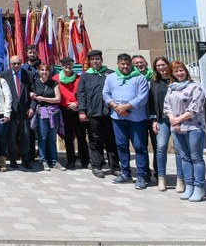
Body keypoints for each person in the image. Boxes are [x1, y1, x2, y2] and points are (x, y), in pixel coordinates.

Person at [103, 53, 150, 190]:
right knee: (121, 145)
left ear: (131, 64)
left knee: (139, 146)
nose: (125, 67)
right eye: (122, 64)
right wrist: (115, 106)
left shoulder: (139, 78)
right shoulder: (111, 78)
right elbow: (105, 94)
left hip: (136, 119)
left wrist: (126, 106)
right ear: (118, 64)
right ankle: (125, 173)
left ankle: (141, 175)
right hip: (117, 117)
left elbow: (142, 97)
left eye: (128, 64)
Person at [164, 61, 206, 202]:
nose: (179, 73)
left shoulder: (196, 87)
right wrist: (172, 119)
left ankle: (199, 188)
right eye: (176, 71)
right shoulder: (171, 88)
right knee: (184, 157)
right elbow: (167, 106)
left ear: (186, 71)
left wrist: (178, 119)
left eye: (181, 70)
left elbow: (195, 108)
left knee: (196, 157)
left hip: (194, 127)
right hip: (176, 128)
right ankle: (189, 186)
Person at [77, 50, 119, 178]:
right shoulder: (85, 76)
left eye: (97, 59)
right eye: (92, 59)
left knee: (111, 140)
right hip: (93, 113)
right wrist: (82, 111)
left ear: (102, 60)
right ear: (89, 62)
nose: (95, 61)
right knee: (95, 140)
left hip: (109, 112)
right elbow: (81, 94)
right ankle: (96, 166)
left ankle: (115, 167)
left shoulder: (111, 74)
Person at [149, 56, 184, 192]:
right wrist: (154, 120)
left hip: (177, 119)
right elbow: (152, 102)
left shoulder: (175, 80)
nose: (161, 68)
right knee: (161, 146)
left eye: (163, 65)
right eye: (158, 66)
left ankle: (180, 179)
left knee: (178, 148)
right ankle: (161, 177)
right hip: (162, 119)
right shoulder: (154, 82)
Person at [54, 57, 89, 170]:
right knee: (68, 137)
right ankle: (71, 160)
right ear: (61, 65)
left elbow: (84, 93)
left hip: (79, 109)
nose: (67, 66)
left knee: (81, 136)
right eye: (64, 64)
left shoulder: (80, 77)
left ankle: (85, 160)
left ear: (73, 65)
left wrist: (77, 104)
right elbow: (56, 94)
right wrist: (68, 104)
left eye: (69, 64)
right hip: (65, 110)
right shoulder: (56, 78)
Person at [1, 55, 34, 170]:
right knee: (12, 136)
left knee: (25, 135)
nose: (16, 66)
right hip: (12, 111)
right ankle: (13, 160)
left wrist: (32, 107)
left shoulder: (28, 74)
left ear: (21, 63)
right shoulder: (4, 75)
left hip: (25, 111)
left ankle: (26, 160)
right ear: (10, 64)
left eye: (18, 63)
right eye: (14, 63)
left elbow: (33, 92)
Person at [31, 63, 64, 171]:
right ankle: (43, 160)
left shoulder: (54, 83)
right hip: (42, 113)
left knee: (52, 138)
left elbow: (58, 99)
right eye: (42, 70)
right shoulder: (35, 82)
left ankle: (54, 160)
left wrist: (43, 98)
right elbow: (32, 95)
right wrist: (32, 95)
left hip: (53, 113)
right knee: (43, 136)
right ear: (39, 71)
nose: (44, 72)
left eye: (46, 70)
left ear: (49, 72)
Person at [132, 54, 156, 181]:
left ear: (146, 64)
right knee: (141, 146)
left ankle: (158, 173)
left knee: (158, 147)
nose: (139, 65)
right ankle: (145, 172)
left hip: (154, 117)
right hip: (139, 117)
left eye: (141, 62)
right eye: (136, 63)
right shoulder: (132, 78)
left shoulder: (154, 77)